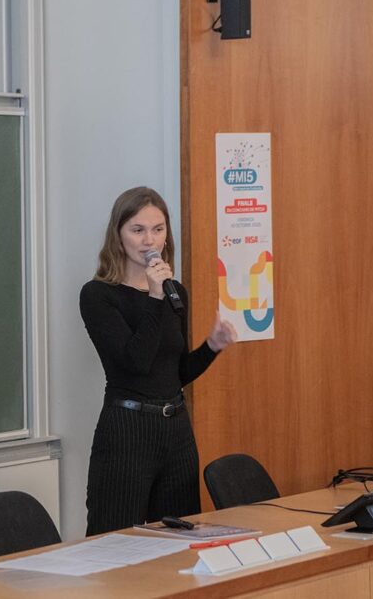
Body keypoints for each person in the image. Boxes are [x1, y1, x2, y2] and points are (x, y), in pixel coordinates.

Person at [79, 186, 237, 536]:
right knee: (117, 539)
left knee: (177, 536)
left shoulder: (174, 292)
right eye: (138, 230)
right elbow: (135, 363)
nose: (149, 240)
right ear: (118, 237)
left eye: (158, 229)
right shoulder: (98, 295)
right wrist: (153, 296)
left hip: (175, 431)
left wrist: (211, 347)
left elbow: (175, 373)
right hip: (127, 431)